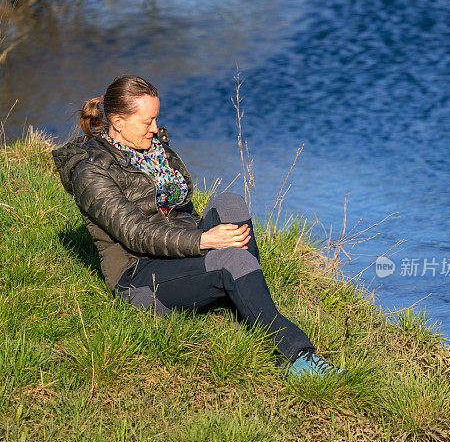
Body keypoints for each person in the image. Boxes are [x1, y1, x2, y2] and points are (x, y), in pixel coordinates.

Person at [52, 74, 343, 378]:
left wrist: (205, 236)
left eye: (156, 119)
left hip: (177, 250)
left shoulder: (153, 152)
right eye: (147, 121)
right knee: (232, 258)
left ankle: (243, 306)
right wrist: (205, 241)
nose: (155, 128)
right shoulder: (90, 172)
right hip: (139, 274)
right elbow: (136, 234)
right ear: (118, 122)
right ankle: (296, 356)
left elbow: (183, 211)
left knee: (230, 203)